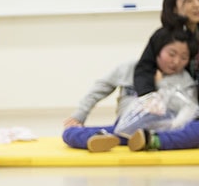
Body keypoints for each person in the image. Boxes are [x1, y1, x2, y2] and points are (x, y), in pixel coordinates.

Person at [62, 27, 196, 152]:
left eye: (184, 58)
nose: (176, 61)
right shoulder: (129, 68)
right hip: (125, 127)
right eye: (171, 54)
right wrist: (80, 114)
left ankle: (146, 140)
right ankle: (99, 139)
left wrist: (160, 85)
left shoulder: (184, 80)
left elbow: (186, 110)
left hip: (159, 128)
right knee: (69, 132)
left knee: (190, 133)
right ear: (157, 50)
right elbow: (100, 88)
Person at [133, 0, 199, 97]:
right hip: (176, 97)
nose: (197, 5)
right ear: (174, 7)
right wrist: (149, 97)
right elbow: (144, 70)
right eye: (188, 0)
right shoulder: (164, 36)